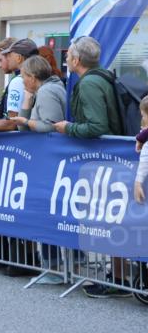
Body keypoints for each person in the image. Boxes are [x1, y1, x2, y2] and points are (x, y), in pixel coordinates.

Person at [52, 37, 130, 297]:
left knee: (110, 219)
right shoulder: (99, 78)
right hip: (108, 158)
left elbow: (97, 126)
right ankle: (119, 277)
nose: (65, 59)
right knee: (112, 218)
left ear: (76, 60)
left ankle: (118, 278)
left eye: (68, 55)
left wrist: (68, 128)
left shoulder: (89, 84)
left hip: (104, 159)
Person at [0, 38, 38, 135]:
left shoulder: (18, 81)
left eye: (7, 56)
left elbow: (11, 122)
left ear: (18, 57)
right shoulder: (30, 77)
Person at [9, 55, 67, 133]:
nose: (22, 82)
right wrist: (27, 99)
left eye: (23, 77)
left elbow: (52, 127)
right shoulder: (49, 88)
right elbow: (23, 129)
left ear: (32, 78)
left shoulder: (46, 91)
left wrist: (26, 122)